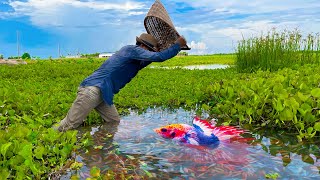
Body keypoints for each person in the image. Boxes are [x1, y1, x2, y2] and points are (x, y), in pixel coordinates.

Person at [54, 33, 187, 131]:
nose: (150, 54)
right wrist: (177, 45)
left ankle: (101, 145)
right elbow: (158, 57)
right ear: (142, 46)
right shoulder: (131, 50)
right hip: (92, 90)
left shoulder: (136, 60)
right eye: (150, 50)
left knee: (113, 121)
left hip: (104, 94)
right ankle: (45, 139)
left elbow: (155, 58)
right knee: (69, 124)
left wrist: (168, 49)